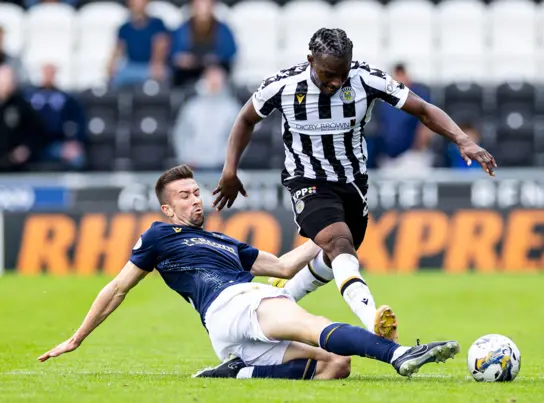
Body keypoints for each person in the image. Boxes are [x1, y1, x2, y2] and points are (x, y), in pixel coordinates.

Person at [37, 164, 460, 381]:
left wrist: (331, 233)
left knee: (337, 365)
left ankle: (239, 372)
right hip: (233, 304)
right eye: (184, 196)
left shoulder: (226, 243)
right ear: (168, 209)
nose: (195, 201)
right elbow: (116, 288)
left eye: (197, 193)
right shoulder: (159, 235)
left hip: (231, 331)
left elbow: (281, 265)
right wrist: (77, 338)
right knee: (311, 323)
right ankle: (399, 355)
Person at [212, 28, 497, 342]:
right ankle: (374, 322)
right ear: (310, 61)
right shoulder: (282, 85)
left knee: (337, 254)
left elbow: (423, 109)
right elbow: (245, 119)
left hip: (352, 185)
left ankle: (281, 298)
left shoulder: (366, 79)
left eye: (342, 74)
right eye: (328, 74)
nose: (336, 82)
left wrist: (462, 139)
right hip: (307, 180)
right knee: (338, 243)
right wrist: (230, 170)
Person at [172, 63, 241, 170]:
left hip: (221, 167)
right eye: (211, 78)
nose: (214, 82)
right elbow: (181, 134)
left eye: (218, 78)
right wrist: (185, 158)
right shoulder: (191, 107)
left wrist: (227, 160)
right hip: (193, 166)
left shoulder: (232, 109)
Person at [25, 64, 87, 170]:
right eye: (46, 73)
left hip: (56, 143)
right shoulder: (28, 97)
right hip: (31, 144)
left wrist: (75, 142)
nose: (49, 76)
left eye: (51, 73)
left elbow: (79, 120)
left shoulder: (66, 98)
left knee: (77, 158)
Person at [170, 0, 237, 87]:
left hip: (214, 71)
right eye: (199, 6)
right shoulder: (183, 29)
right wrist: (183, 59)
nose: (203, 10)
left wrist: (215, 58)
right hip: (187, 74)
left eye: (207, 5)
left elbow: (230, 51)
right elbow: (173, 52)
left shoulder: (222, 28)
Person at [107, 0, 169, 87]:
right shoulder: (124, 28)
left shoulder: (157, 24)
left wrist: (157, 65)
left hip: (148, 66)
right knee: (117, 80)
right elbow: (118, 50)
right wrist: (111, 68)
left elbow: (161, 46)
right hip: (131, 66)